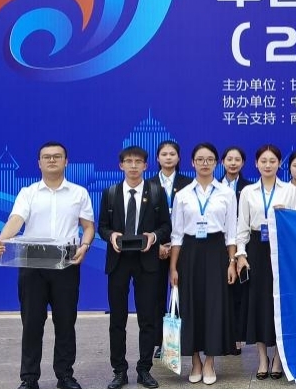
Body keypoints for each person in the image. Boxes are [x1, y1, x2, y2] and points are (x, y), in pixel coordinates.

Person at [0, 142, 94, 390]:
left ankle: (65, 376)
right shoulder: (28, 193)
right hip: (32, 264)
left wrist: (85, 245)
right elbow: (16, 219)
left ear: (66, 161)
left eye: (57, 156)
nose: (52, 160)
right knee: (32, 323)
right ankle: (29, 378)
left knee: (66, 322)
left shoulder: (79, 193)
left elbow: (88, 226)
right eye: (46, 157)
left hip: (66, 263)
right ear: (39, 163)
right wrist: (1, 240)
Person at [97, 146, 171, 389]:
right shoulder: (110, 193)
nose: (133, 165)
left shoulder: (156, 192)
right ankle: (119, 370)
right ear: (121, 165)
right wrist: (111, 236)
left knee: (147, 318)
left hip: (146, 261)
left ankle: (144, 369)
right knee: (117, 319)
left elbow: (166, 226)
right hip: (118, 262)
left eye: (138, 161)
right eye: (128, 161)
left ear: (146, 166)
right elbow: (102, 227)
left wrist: (153, 236)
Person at [169, 143, 237, 385]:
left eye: (209, 159)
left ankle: (209, 361)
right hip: (190, 253)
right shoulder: (183, 195)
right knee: (191, 305)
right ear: (192, 163)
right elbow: (177, 235)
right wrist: (173, 267)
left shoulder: (226, 193)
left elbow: (231, 233)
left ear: (216, 163)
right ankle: (195, 360)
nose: (205, 163)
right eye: (200, 159)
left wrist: (231, 262)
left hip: (216, 251)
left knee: (214, 306)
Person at [236, 145, 296, 380]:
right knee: (258, 303)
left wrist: (285, 216)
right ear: (256, 164)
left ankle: (278, 358)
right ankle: (263, 357)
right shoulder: (248, 192)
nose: (268, 165)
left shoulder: (290, 190)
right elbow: (242, 226)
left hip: (281, 247)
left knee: (279, 304)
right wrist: (241, 254)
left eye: (272, 161)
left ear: (279, 164)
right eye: (263, 161)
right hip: (256, 248)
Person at [146, 140, 192, 359]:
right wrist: (157, 244)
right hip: (154, 247)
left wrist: (174, 246)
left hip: (182, 247)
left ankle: (181, 340)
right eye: (164, 154)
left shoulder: (189, 184)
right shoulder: (148, 184)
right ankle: (160, 342)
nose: (168, 157)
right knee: (155, 297)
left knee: (181, 294)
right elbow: (143, 220)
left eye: (172, 154)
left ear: (179, 157)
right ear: (157, 158)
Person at [221, 146, 249, 357]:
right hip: (217, 244)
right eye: (229, 159)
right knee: (221, 292)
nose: (233, 163)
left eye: (237, 159)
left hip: (240, 244)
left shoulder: (248, 188)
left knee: (238, 292)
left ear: (243, 163)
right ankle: (222, 335)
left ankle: (237, 337)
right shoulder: (215, 186)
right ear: (222, 162)